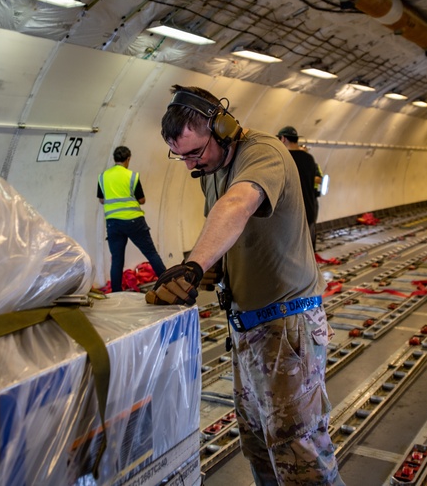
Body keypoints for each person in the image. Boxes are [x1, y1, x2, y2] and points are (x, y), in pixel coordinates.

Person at [147, 85, 343, 485]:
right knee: (259, 445)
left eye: (195, 153)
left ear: (222, 128)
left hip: (288, 328)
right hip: (249, 330)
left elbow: (238, 204)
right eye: (180, 156)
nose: (189, 165)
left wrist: (193, 266)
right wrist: (211, 271)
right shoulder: (210, 170)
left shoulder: (264, 152)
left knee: (300, 455)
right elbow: (227, 226)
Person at [97, 146, 166, 292]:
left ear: (115, 159)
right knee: (151, 253)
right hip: (134, 221)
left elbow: (102, 200)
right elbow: (141, 200)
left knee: (116, 260)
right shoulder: (132, 176)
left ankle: (116, 295)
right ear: (128, 159)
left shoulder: (103, 176)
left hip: (113, 223)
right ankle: (168, 284)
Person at [277, 125, 323, 252]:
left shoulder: (283, 158)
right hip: (309, 211)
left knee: (291, 251)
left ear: (283, 139)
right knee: (307, 249)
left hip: (290, 213)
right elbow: (317, 179)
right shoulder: (309, 159)